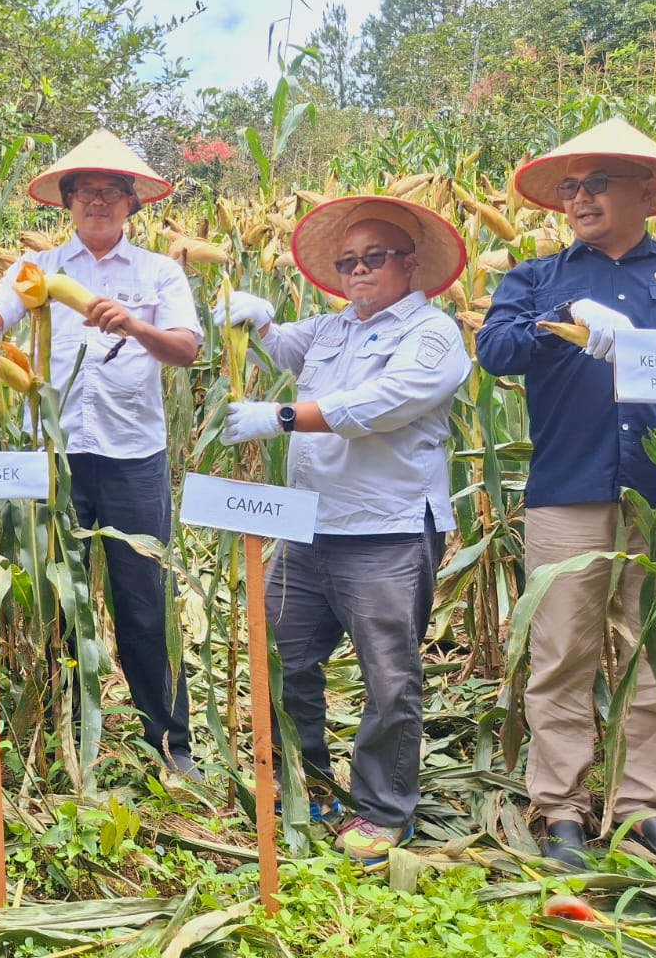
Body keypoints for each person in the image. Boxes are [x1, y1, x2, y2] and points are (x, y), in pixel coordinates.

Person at [476, 118, 656, 869]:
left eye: (598, 182)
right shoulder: (537, 278)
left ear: (645, 190)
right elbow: (494, 351)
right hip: (568, 488)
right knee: (565, 650)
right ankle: (560, 807)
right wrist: (562, 318)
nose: (580, 197)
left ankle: (643, 807)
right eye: (570, 186)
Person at [215, 196, 471, 865]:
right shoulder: (334, 331)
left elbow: (384, 405)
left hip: (384, 530)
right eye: (348, 261)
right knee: (284, 660)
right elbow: (282, 346)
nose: (358, 271)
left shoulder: (433, 334)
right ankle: (310, 783)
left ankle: (386, 809)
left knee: (389, 677)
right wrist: (261, 324)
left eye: (374, 258)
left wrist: (282, 416)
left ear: (410, 265)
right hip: (307, 528)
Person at [0, 130, 202, 775]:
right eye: (86, 192)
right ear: (67, 202)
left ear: (131, 204)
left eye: (111, 193)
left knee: (144, 604)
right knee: (57, 598)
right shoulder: (37, 272)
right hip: (52, 459)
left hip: (132, 456)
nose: (98, 202)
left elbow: (186, 349)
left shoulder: (158, 273)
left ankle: (170, 744)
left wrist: (137, 325)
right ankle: (61, 734)